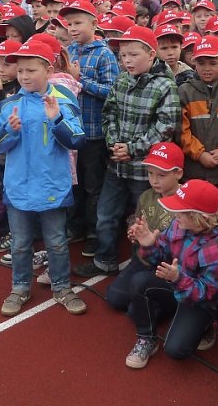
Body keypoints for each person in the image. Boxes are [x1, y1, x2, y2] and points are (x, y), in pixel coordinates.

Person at [0, 40, 87, 316]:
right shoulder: (9, 105)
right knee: (20, 243)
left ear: (48, 70)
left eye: (31, 70)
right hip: (18, 186)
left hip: (52, 184)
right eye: (20, 71)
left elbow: (77, 140)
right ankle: (20, 287)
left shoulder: (63, 99)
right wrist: (9, 130)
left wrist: (56, 119)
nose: (24, 76)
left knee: (56, 241)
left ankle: (62, 287)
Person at [74, 26, 180, 278]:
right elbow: (109, 112)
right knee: (105, 214)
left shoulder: (165, 86)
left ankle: (139, 266)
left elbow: (166, 126)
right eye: (123, 55)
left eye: (133, 55)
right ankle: (104, 259)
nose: (127, 60)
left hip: (144, 169)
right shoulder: (121, 80)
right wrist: (114, 143)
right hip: (117, 164)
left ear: (151, 54)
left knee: (142, 220)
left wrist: (132, 149)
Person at [124, 180, 218, 368]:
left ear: (198, 217)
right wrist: (149, 244)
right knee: (138, 283)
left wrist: (178, 278)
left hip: (200, 301)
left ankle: (206, 324)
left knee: (176, 350)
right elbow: (160, 257)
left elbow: (207, 293)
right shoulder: (180, 224)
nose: (174, 214)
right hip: (177, 283)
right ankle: (146, 338)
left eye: (180, 210)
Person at [62, 0, 120, 250]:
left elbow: (112, 92)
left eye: (78, 23)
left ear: (94, 23)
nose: (73, 28)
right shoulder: (69, 51)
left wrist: (81, 80)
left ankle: (94, 232)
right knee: (73, 182)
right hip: (71, 131)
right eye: (69, 24)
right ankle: (75, 227)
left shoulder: (104, 54)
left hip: (94, 133)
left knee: (93, 185)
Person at [105, 142, 181, 312]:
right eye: (150, 173)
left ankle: (161, 303)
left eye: (161, 175)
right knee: (114, 297)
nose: (154, 180)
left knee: (137, 307)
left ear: (178, 173)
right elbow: (137, 221)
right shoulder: (146, 196)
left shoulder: (185, 202)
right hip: (143, 260)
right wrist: (134, 231)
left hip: (167, 267)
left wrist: (154, 241)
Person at [179, 35, 218, 190]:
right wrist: (200, 154)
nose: (207, 68)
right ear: (194, 63)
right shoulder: (185, 91)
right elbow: (182, 130)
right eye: (201, 63)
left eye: (213, 63)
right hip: (193, 171)